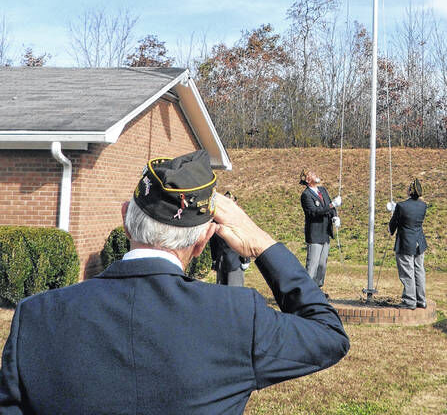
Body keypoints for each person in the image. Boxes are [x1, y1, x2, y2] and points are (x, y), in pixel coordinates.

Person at [0, 150, 349, 414]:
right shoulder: (237, 317)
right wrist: (262, 244)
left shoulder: (37, 316)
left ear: (125, 218)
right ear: (201, 243)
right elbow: (328, 334)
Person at [299, 167, 342, 296]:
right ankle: (307, 292)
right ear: (307, 179)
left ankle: (317, 289)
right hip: (315, 233)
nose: (315, 175)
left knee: (322, 264)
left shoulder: (322, 190)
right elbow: (314, 212)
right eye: (312, 174)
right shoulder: (306, 195)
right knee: (312, 264)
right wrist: (331, 206)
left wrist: (334, 215)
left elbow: (329, 204)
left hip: (325, 232)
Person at [388, 178, 427, 310]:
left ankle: (410, 300)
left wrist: (393, 213)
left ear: (410, 191)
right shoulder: (423, 205)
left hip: (405, 242)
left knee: (407, 272)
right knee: (419, 270)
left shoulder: (401, 206)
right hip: (419, 242)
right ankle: (421, 300)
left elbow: (394, 224)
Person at [210, 191, 250, 286]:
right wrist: (214, 259)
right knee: (221, 292)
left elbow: (245, 240)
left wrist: (246, 259)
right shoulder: (216, 221)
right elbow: (213, 242)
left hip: (235, 262)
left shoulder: (239, 220)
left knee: (235, 291)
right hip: (221, 260)